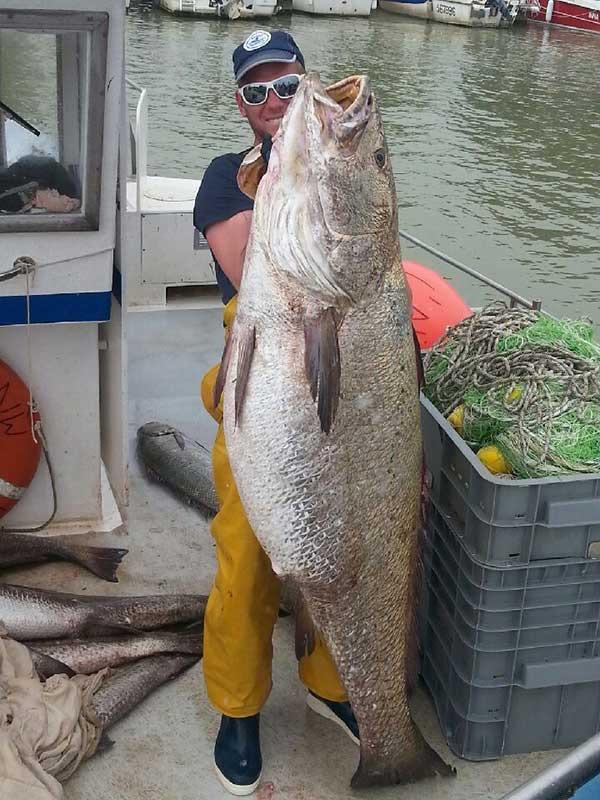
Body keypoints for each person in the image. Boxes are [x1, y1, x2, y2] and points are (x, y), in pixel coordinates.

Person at [194, 30, 359, 797]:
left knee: (344, 537)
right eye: (257, 91)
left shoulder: (338, 165)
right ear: (240, 104)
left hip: (343, 370)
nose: (273, 102)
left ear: (308, 87)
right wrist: (291, 176)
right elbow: (254, 271)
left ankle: (329, 680)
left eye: (287, 86)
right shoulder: (224, 183)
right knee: (249, 549)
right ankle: (238, 706)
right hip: (259, 377)